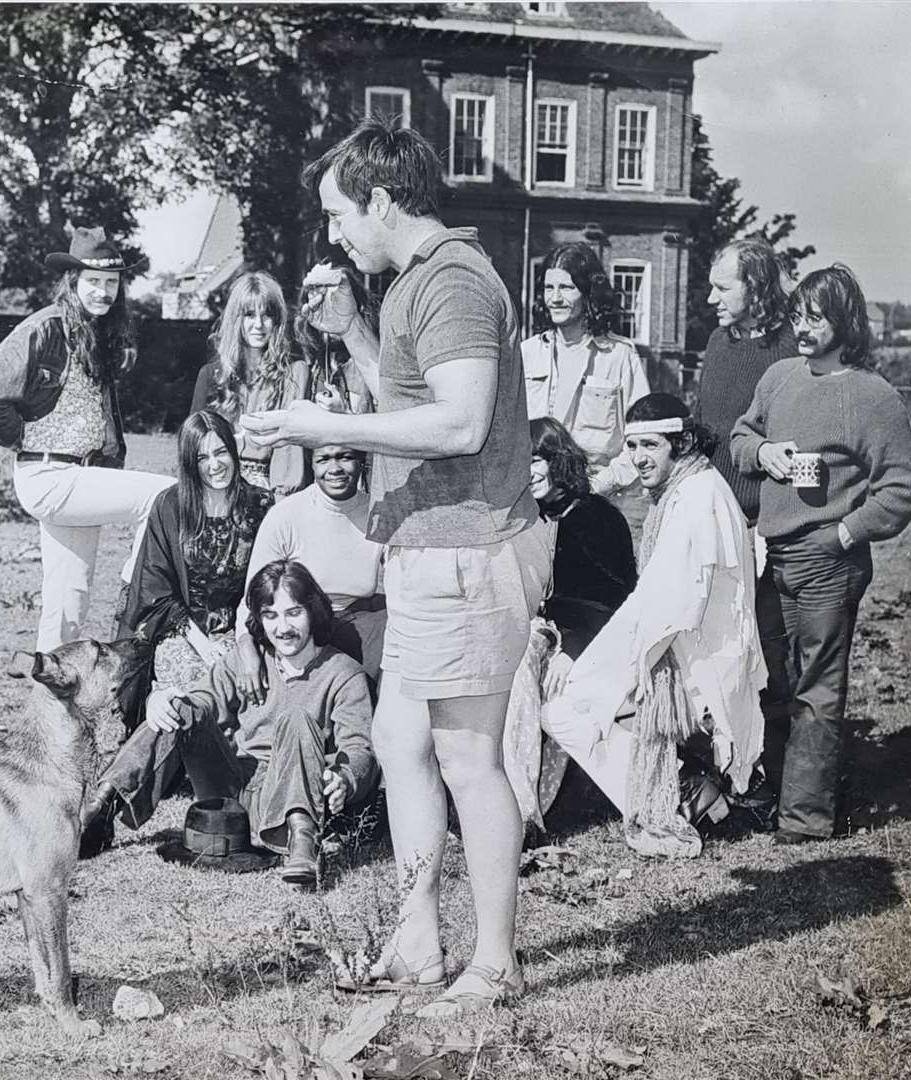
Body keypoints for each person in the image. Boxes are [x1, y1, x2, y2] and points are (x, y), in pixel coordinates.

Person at [241, 117, 553, 1017]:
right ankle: (420, 941)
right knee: (396, 741)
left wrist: (319, 425)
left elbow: (459, 423)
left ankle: (494, 965)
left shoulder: (451, 280)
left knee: (466, 757)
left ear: (382, 200)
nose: (334, 233)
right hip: (429, 546)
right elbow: (413, 398)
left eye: (340, 213)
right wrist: (354, 339)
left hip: (467, 550)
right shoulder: (418, 280)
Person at [732, 264, 911, 845]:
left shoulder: (873, 395)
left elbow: (902, 484)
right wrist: (764, 453)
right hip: (773, 556)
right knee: (771, 680)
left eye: (815, 317)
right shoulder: (780, 377)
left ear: (845, 321)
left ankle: (804, 823)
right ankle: (772, 799)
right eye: (798, 316)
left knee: (817, 689)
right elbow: (739, 436)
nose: (803, 328)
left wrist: (846, 532)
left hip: (827, 561)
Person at [542, 394, 767, 858]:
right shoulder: (690, 488)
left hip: (698, 665)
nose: (639, 458)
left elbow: (662, 608)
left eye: (651, 446)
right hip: (685, 649)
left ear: (681, 442)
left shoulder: (697, 498)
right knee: (583, 697)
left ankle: (679, 793)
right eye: (632, 446)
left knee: (563, 709)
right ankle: (689, 787)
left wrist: (593, 667)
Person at [81, 559, 377, 886]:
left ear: (314, 610)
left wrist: (345, 778)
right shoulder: (247, 661)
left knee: (296, 716)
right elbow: (203, 699)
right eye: (271, 615)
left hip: (286, 793)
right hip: (229, 795)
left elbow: (359, 748)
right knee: (179, 707)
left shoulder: (343, 673)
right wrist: (161, 700)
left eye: (294, 612)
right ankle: (100, 805)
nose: (283, 627)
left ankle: (302, 843)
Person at [0, 227, 175, 652]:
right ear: (73, 282)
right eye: (93, 282)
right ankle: (134, 593)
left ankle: (49, 702)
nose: (102, 292)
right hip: (48, 474)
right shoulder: (44, 328)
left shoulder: (97, 335)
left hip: (82, 475)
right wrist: (22, 435)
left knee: (68, 602)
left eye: (111, 284)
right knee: (166, 496)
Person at [502, 417, 638, 829]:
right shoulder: (526, 519)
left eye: (537, 460)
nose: (528, 472)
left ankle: (527, 811)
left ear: (558, 460)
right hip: (540, 633)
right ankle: (516, 805)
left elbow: (615, 600)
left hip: (595, 641)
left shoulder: (597, 517)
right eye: (520, 463)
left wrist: (574, 649)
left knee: (530, 666)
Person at [117, 410, 275, 696]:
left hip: (245, 626)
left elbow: (270, 582)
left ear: (234, 450)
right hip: (184, 629)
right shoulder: (171, 506)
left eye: (221, 452)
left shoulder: (260, 505)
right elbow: (157, 591)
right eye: (202, 458)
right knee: (189, 678)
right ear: (190, 462)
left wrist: (244, 639)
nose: (214, 465)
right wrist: (203, 645)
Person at [232, 444, 386, 697]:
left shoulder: (378, 513)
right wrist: (245, 644)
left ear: (361, 461)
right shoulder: (286, 515)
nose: (334, 468)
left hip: (357, 623)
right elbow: (253, 595)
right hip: (300, 624)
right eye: (323, 459)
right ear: (311, 464)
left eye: (345, 457)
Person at [521, 243, 649, 496]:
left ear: (589, 292)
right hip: (534, 501)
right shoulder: (527, 353)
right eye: (549, 288)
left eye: (567, 288)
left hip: (598, 500)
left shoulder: (619, 355)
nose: (555, 298)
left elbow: (642, 437)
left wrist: (598, 486)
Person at [695, 237, 799, 526]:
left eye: (723, 289)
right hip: (713, 511)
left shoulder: (793, 348)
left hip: (769, 520)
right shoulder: (717, 341)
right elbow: (702, 422)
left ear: (755, 287)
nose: (711, 299)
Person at [189, 271, 312, 495]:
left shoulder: (293, 375)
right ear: (236, 318)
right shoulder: (211, 375)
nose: (259, 324)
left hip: (270, 491)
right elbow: (191, 447)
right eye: (249, 314)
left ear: (277, 320)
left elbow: (293, 454)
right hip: (217, 487)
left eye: (266, 315)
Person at [296, 264, 377, 415]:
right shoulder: (314, 363)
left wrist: (344, 412)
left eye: (336, 304)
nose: (331, 313)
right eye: (321, 305)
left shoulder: (372, 359)